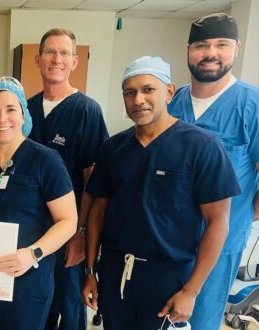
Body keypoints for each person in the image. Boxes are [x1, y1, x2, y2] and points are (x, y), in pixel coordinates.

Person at [81, 56, 241, 329]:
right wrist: (91, 272)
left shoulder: (201, 147)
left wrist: (191, 290)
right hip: (116, 271)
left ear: (169, 92)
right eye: (129, 93)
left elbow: (218, 222)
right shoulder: (114, 149)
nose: (138, 100)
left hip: (169, 277)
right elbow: (98, 211)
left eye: (148, 89)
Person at [0, 77, 78, 330]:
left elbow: (68, 221)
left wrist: (32, 254)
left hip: (29, 278)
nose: (2, 118)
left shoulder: (46, 161)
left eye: (11, 109)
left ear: (23, 115)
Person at [168, 13, 259, 330]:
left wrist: (244, 215)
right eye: (201, 45)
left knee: (199, 322)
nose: (210, 53)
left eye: (221, 44)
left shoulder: (252, 105)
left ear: (236, 48)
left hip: (218, 248)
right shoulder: (172, 102)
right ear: (189, 50)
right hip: (166, 241)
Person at [26, 27, 108, 330]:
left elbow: (92, 180)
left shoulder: (86, 111)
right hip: (32, 231)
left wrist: (80, 234)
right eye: (50, 52)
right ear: (38, 59)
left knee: (69, 309)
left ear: (74, 62)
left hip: (68, 232)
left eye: (64, 53)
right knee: (37, 308)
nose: (56, 59)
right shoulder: (26, 110)